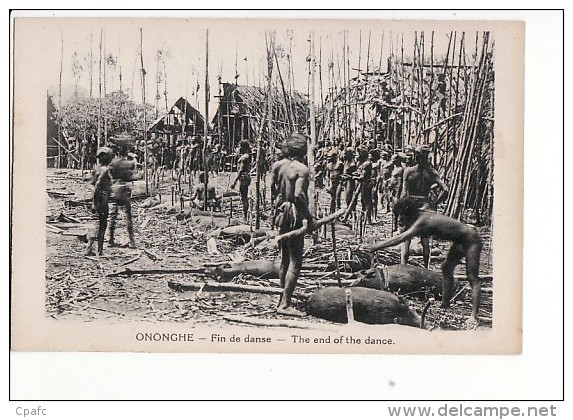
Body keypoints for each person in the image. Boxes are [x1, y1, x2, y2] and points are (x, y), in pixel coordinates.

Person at [365, 197, 483, 328]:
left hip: (472, 240)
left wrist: (377, 246)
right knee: (446, 268)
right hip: (460, 241)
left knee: (472, 277)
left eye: (402, 217)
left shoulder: (422, 221)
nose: (400, 220)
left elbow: (401, 238)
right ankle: (445, 305)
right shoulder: (421, 216)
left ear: (407, 214)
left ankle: (474, 316)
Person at [273, 133, 317, 316]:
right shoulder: (301, 169)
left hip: (281, 212)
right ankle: (285, 304)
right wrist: (308, 217)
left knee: (284, 258)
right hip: (293, 215)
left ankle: (281, 296)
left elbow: (275, 190)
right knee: (296, 261)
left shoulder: (279, 166)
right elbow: (299, 195)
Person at [400, 144, 449, 267]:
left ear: (416, 156)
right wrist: (435, 202)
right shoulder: (432, 173)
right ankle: (426, 267)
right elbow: (446, 190)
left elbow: (404, 192)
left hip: (410, 205)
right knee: (425, 240)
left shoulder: (408, 171)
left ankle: (403, 266)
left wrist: (401, 208)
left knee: (406, 238)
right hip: (425, 206)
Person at [86, 147, 114, 256]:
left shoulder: (96, 169)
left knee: (96, 223)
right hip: (102, 199)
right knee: (103, 224)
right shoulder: (105, 170)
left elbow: (90, 184)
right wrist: (96, 200)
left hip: (97, 198)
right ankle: (100, 250)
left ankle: (89, 247)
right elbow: (97, 185)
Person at [108, 156, 139, 249]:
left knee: (112, 215)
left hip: (114, 188)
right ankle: (132, 240)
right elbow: (131, 177)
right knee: (128, 215)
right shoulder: (127, 163)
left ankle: (110, 239)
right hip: (123, 188)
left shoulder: (112, 162)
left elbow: (109, 175)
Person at [231, 139, 252, 220]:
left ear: (243, 147)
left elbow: (241, 170)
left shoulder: (245, 157)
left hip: (244, 177)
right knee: (244, 196)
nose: (238, 148)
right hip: (245, 177)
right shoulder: (245, 156)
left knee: (244, 197)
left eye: (240, 146)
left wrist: (234, 181)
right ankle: (245, 214)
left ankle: (245, 216)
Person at [355, 146, 373, 224]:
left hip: (366, 184)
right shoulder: (362, 163)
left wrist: (353, 177)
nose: (356, 156)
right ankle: (364, 217)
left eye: (358, 154)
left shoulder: (367, 163)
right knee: (363, 200)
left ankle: (368, 219)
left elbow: (362, 176)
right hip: (363, 183)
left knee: (367, 201)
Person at [325, 149, 343, 214]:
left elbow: (343, 173)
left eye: (330, 157)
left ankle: (338, 211)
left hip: (339, 182)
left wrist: (342, 182)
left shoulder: (340, 164)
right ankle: (332, 211)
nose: (329, 158)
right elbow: (327, 175)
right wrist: (329, 184)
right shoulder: (329, 165)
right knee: (333, 198)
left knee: (337, 197)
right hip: (332, 183)